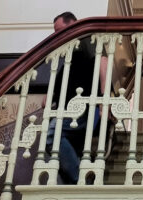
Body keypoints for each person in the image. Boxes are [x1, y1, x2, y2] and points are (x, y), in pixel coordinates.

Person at [45, 11, 108, 184]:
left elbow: (103, 62)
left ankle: (81, 180)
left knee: (51, 136)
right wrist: (51, 96)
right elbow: (65, 76)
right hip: (70, 107)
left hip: (84, 107)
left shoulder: (85, 38)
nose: (56, 36)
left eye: (59, 31)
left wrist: (104, 98)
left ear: (72, 25)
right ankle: (76, 184)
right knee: (62, 148)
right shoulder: (70, 50)